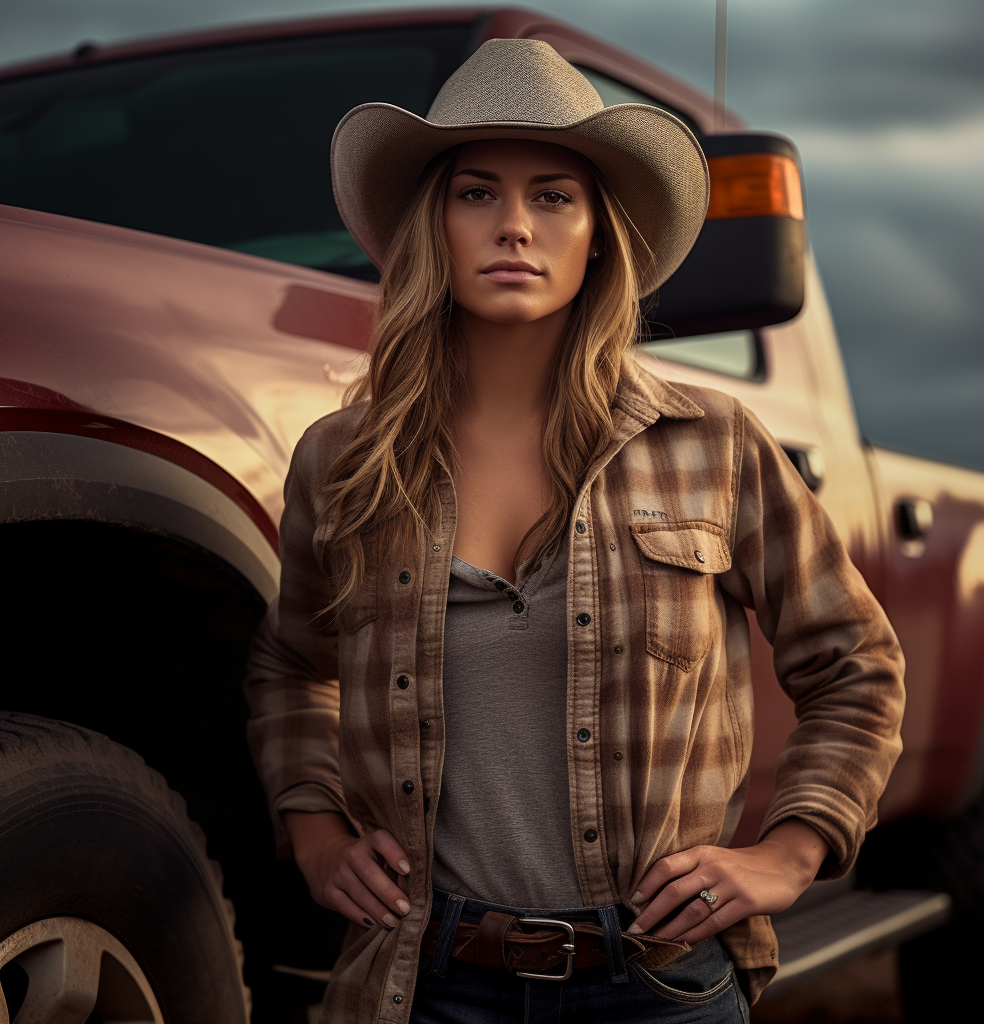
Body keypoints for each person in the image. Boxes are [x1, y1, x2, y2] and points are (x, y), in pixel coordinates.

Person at [245, 39, 904, 1024]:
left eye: (553, 195)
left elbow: (853, 662)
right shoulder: (342, 459)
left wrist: (789, 850)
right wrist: (313, 829)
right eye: (476, 193)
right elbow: (292, 663)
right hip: (419, 982)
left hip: (655, 982)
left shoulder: (710, 443)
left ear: (598, 232)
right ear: (434, 223)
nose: (513, 225)